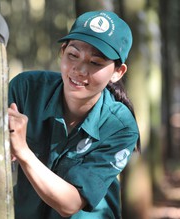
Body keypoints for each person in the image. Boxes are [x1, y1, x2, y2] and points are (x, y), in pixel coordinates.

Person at [8, 10, 141, 219]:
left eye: (95, 62)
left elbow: (70, 203)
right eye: (73, 55)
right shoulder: (25, 90)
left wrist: (23, 151)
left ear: (118, 72)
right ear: (63, 51)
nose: (79, 69)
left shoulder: (121, 126)